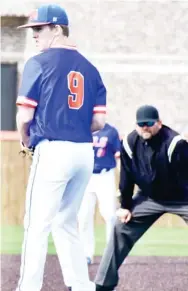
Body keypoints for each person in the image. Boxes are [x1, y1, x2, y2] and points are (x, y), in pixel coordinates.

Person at [15, 4, 106, 291]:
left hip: (53, 150)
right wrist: (74, 126)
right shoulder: (90, 68)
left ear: (57, 28)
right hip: (83, 152)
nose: (34, 35)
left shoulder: (38, 62)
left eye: (39, 29)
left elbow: (25, 116)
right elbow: (99, 121)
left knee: (36, 224)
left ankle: (27, 288)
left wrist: (25, 139)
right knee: (66, 221)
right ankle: (81, 285)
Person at [94, 105, 188, 291]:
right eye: (141, 124)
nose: (144, 127)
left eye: (149, 123)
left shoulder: (176, 144)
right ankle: (103, 284)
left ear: (159, 123)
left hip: (182, 199)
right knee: (120, 227)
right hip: (150, 198)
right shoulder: (129, 142)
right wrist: (125, 205)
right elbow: (126, 176)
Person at [78, 123, 121, 265]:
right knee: (83, 216)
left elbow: (118, 155)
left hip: (105, 175)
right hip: (86, 176)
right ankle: (86, 253)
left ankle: (111, 253)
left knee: (110, 215)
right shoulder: (81, 128)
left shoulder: (111, 131)